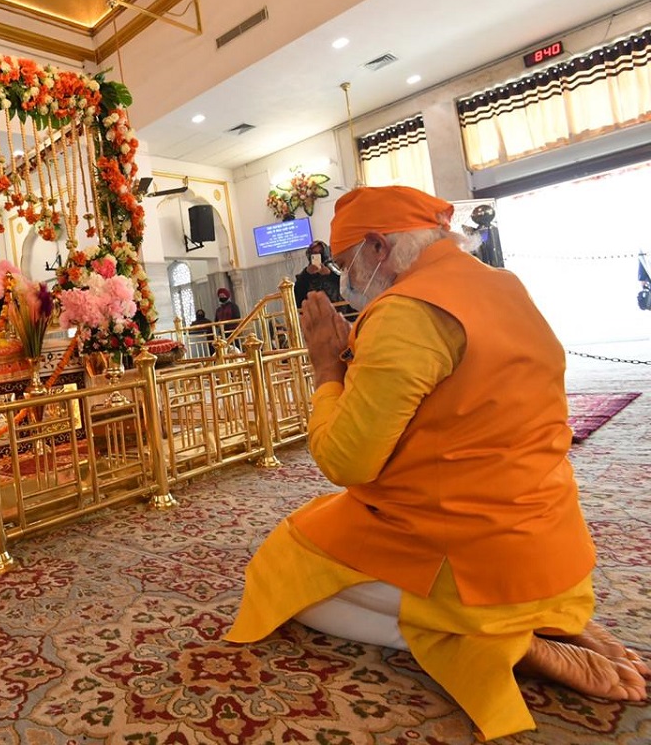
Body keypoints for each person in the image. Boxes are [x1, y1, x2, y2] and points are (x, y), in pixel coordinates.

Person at [226, 185, 648, 741]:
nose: (343, 280)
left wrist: (327, 368)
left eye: (347, 263)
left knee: (283, 568)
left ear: (378, 247)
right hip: (550, 540)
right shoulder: (501, 285)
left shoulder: (405, 313)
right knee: (335, 524)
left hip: (467, 544)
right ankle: (540, 616)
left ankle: (502, 641)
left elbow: (345, 460)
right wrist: (359, 350)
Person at [292, 240, 342, 309]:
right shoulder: (306, 273)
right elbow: (298, 293)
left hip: (336, 309)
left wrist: (329, 274)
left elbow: (344, 283)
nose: (318, 255)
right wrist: (307, 274)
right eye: (314, 253)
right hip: (314, 311)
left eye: (321, 252)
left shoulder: (334, 268)